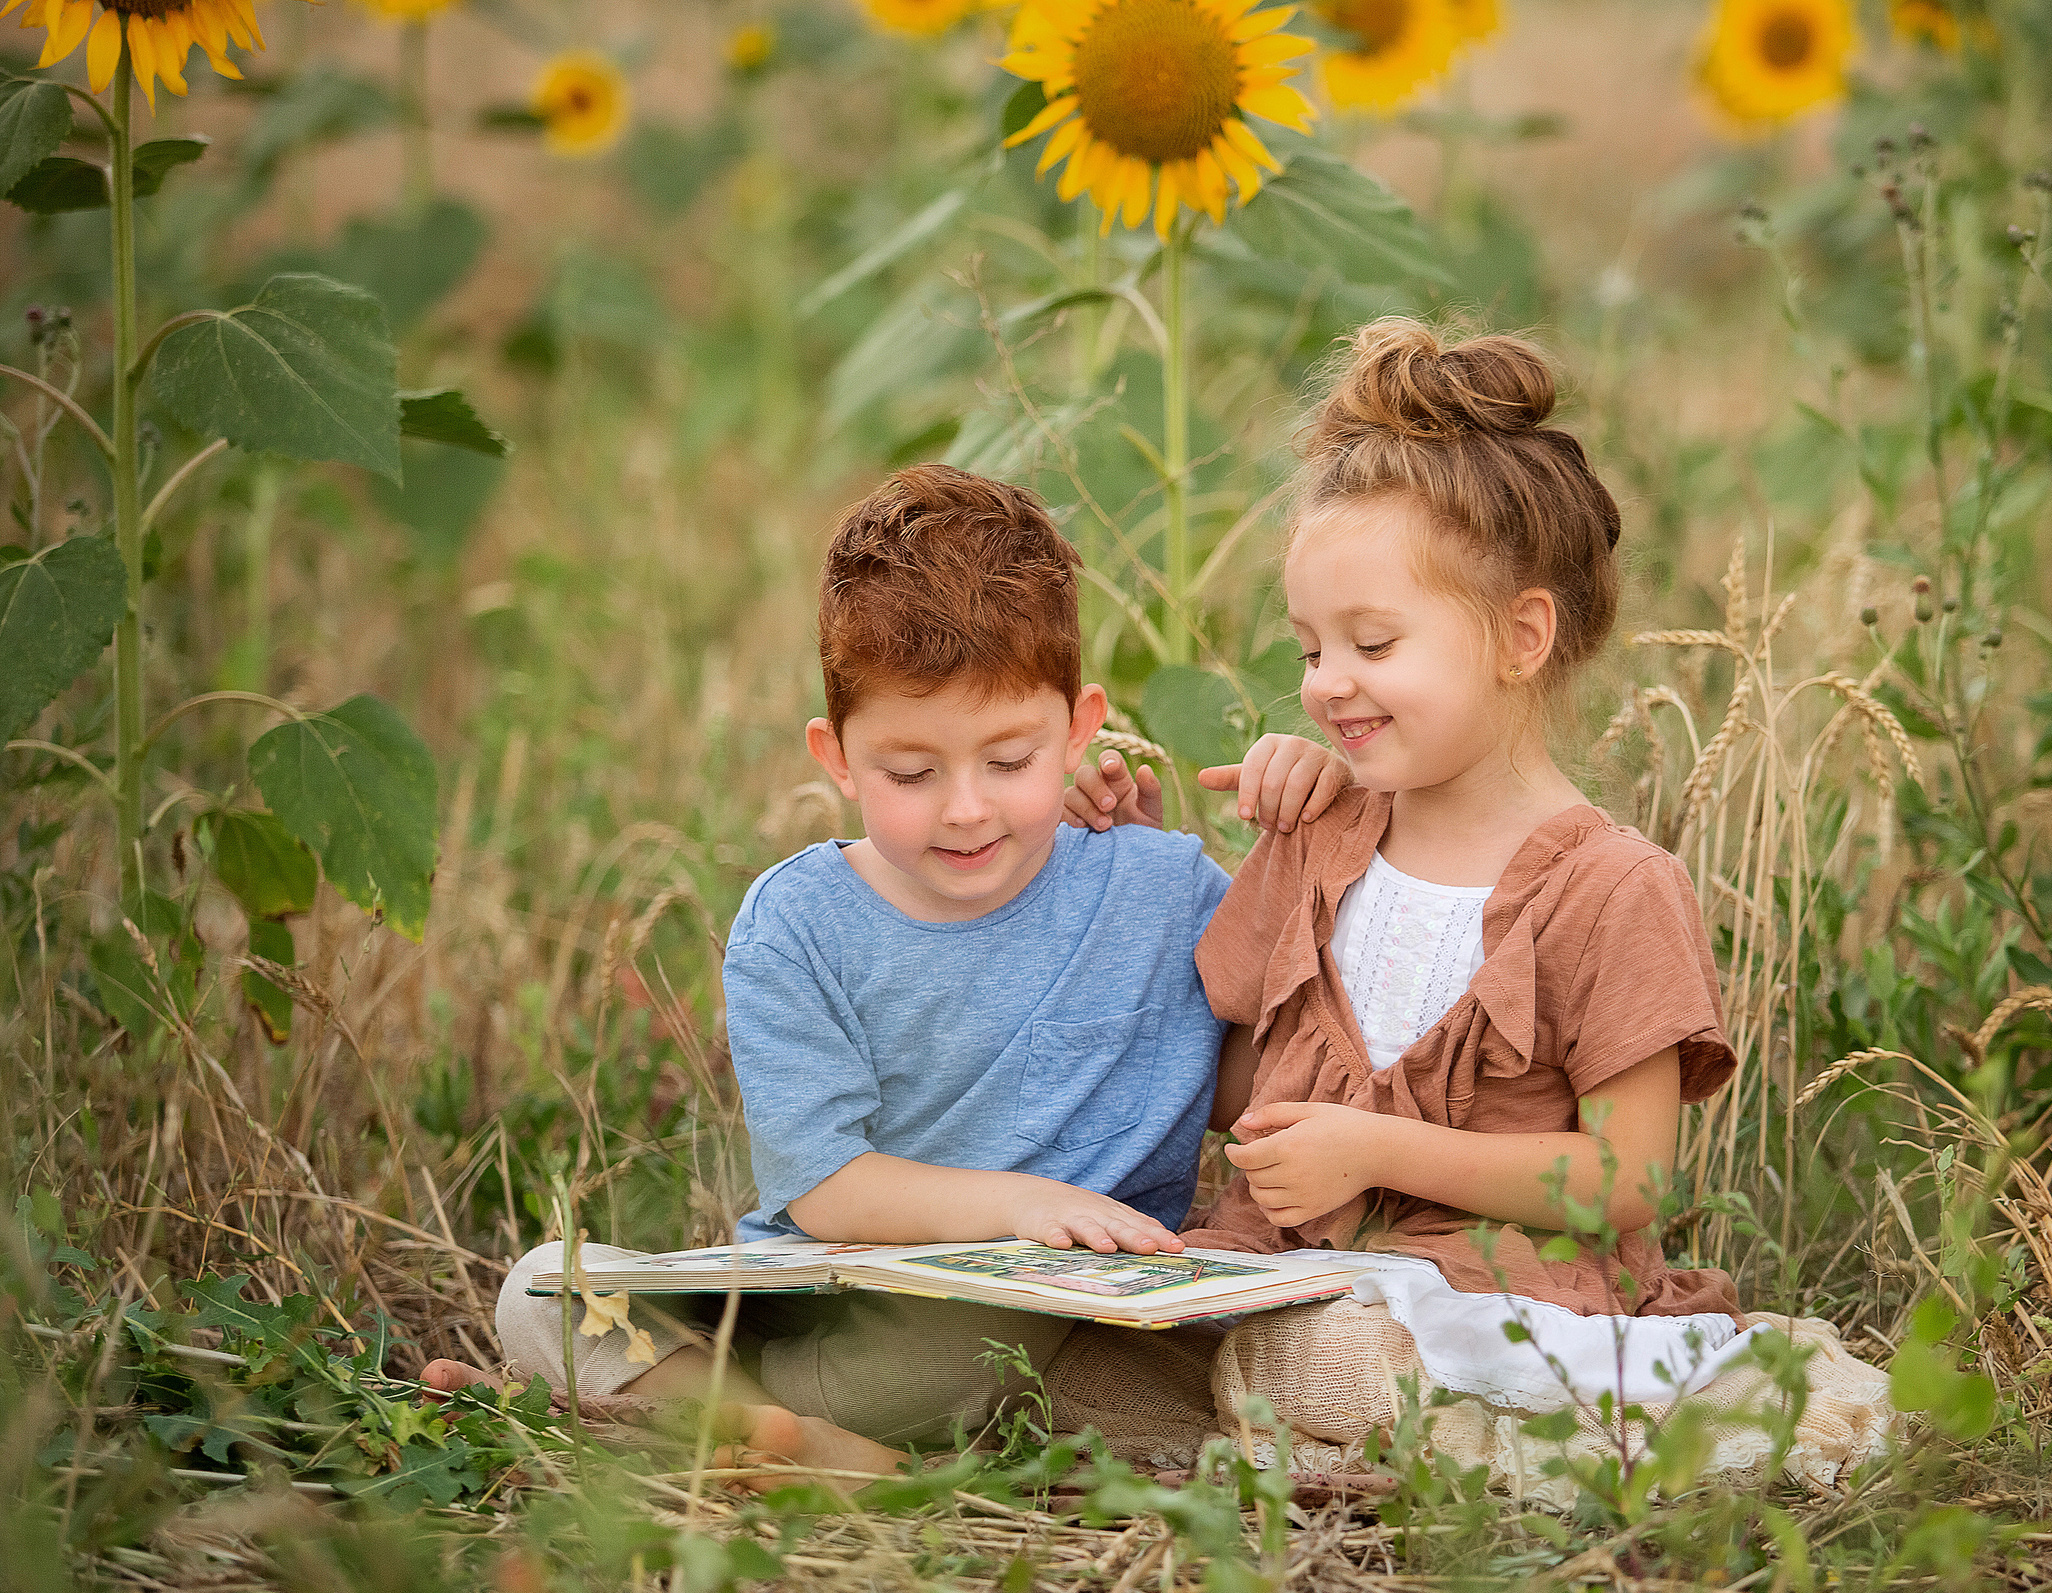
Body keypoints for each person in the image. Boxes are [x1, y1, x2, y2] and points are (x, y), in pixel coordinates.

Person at [424, 464, 1347, 1479]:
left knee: (1128, 1375)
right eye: (910, 773)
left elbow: (1273, 1076)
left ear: (1080, 729)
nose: (965, 809)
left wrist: (1320, 819)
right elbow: (825, 1189)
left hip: (1047, 1328)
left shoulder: (1161, 886)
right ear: (838, 757)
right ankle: (751, 1427)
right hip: (828, 1321)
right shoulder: (802, 923)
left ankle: (683, 1428)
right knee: (544, 1289)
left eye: (1009, 762)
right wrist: (1020, 1206)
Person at [1182, 318, 1746, 1453]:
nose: (1328, 685)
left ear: (1520, 635)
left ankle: (1397, 1425)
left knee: (1333, 1364)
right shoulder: (1318, 835)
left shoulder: (1611, 888)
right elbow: (1233, 1086)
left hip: (1497, 1295)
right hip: (1291, 1277)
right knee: (1092, 1354)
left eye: (1373, 647)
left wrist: (1377, 1152)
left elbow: (1625, 1180)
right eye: (1307, 651)